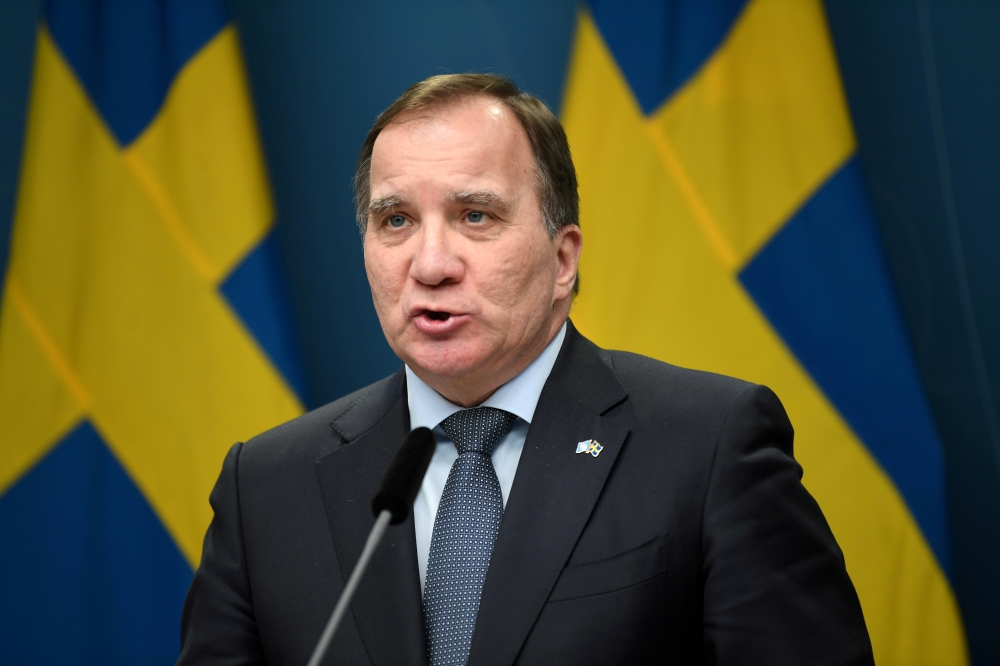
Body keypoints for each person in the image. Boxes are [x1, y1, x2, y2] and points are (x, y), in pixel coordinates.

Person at [178, 74, 874, 665]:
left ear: (563, 259)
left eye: (474, 215)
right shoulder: (266, 489)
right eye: (395, 221)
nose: (429, 265)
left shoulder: (709, 446)